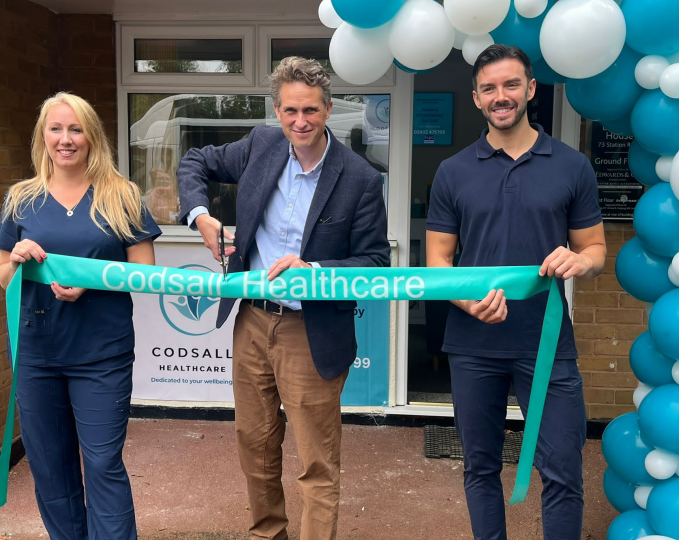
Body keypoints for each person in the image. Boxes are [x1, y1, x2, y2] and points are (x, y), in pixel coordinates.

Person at [177, 56, 390, 540]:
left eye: (311, 111)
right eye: (291, 111)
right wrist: (200, 216)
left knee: (316, 462)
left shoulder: (358, 179)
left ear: (329, 109)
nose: (300, 122)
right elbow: (195, 162)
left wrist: (313, 270)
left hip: (309, 333)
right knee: (255, 446)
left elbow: (374, 262)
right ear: (277, 110)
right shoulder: (261, 145)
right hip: (251, 322)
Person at [425, 45, 606, 540]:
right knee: (480, 468)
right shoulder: (453, 171)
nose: (500, 96)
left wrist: (580, 260)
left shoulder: (572, 166)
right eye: (489, 88)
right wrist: (466, 301)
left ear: (530, 90)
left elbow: (594, 250)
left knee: (564, 471)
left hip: (546, 344)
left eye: (510, 85)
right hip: (472, 344)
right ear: (477, 99)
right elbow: (437, 261)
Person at [0, 93, 161, 540]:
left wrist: (94, 279)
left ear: (92, 137)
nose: (65, 139)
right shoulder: (20, 199)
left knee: (104, 463)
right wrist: (17, 258)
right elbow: (4, 278)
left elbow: (145, 272)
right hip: (36, 353)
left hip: (100, 354)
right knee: (50, 467)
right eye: (56, 129)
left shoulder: (122, 196)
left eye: (76, 129)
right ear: (42, 136)